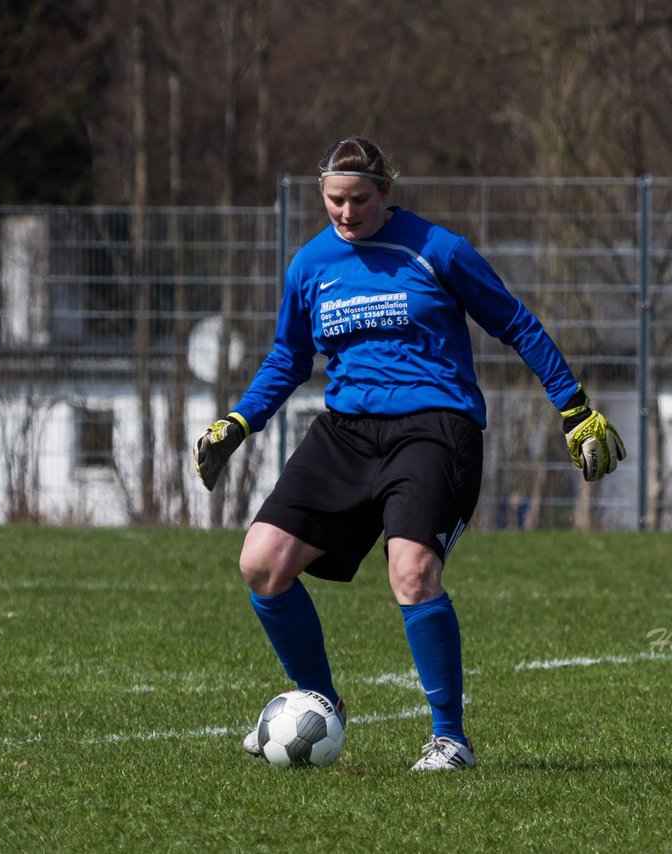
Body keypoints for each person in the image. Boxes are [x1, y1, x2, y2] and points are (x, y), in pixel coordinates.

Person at [194, 136, 625, 771]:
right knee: (261, 563)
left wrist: (574, 407)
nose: (346, 213)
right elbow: (290, 357)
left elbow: (516, 323)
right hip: (346, 432)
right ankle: (320, 703)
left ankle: (450, 739)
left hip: (435, 428)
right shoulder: (310, 264)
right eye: (334, 201)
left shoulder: (438, 250)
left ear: (386, 192)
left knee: (413, 572)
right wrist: (239, 421)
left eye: (358, 199)